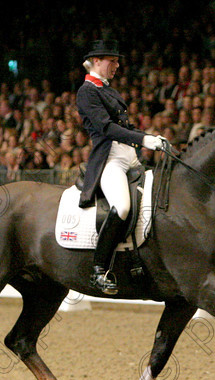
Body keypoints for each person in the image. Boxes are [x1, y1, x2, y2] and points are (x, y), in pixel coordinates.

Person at [76, 40, 165, 295]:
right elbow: (106, 128)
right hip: (110, 159)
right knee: (123, 206)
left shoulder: (109, 90)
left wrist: (152, 138)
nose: (116, 65)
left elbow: (125, 128)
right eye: (112, 61)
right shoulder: (87, 91)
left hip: (131, 157)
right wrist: (144, 140)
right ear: (96, 62)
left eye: (117, 61)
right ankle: (99, 269)